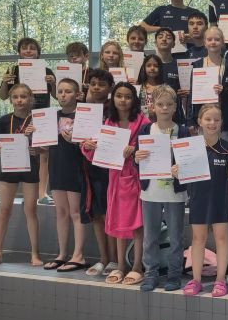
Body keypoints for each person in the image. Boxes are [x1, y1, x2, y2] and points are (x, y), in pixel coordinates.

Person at [82, 82, 149, 285]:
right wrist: (88, 146)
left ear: (134, 100)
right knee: (118, 221)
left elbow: (151, 148)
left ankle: (137, 266)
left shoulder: (144, 122)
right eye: (119, 96)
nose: (123, 100)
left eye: (128, 96)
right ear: (113, 98)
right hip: (115, 180)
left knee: (137, 224)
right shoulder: (108, 124)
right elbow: (95, 151)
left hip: (136, 179)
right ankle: (120, 265)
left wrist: (135, 149)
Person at [180, 104, 228, 297]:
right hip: (198, 198)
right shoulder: (191, 146)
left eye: (216, 119)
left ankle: (220, 280)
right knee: (198, 239)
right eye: (208, 119)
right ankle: (196, 280)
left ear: (222, 122)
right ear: (200, 121)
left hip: (220, 199)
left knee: (221, 238)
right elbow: (182, 172)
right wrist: (176, 170)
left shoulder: (227, 147)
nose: (212, 123)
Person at [134, 85, 188, 292]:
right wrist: (136, 158)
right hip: (150, 192)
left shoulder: (182, 131)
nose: (164, 108)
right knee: (150, 238)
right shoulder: (146, 130)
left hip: (175, 193)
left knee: (175, 238)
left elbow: (189, 162)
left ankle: (174, 275)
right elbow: (137, 161)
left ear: (175, 107)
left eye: (169, 104)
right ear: (153, 107)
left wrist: (181, 168)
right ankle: (151, 273)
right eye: (160, 104)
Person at [0, 83, 42, 268]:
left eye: (23, 96)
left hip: (30, 168)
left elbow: (45, 148)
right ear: (10, 100)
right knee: (4, 210)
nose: (19, 100)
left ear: (31, 99)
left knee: (30, 210)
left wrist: (37, 150)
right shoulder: (4, 120)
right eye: (15, 97)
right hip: (9, 168)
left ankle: (35, 254)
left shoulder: (37, 120)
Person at [0, 37, 56, 204]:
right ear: (19, 52)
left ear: (38, 52)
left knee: (43, 154)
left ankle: (42, 193)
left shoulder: (47, 70)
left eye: (32, 48)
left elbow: (56, 96)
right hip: (21, 117)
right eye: (25, 48)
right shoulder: (13, 70)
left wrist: (53, 83)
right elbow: (3, 96)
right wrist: (4, 81)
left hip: (42, 117)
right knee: (25, 153)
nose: (29, 51)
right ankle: (29, 194)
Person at [44, 78, 87, 273]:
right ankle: (62, 254)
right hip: (56, 166)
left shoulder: (84, 116)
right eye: (60, 91)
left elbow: (90, 144)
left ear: (77, 94)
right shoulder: (51, 116)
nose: (63, 95)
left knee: (75, 212)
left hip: (75, 167)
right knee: (61, 212)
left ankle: (78, 255)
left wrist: (75, 141)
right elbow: (43, 146)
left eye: (68, 91)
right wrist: (34, 136)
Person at [80, 69, 116, 278]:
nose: (96, 88)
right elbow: (80, 138)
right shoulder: (85, 110)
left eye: (101, 84)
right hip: (90, 167)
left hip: (111, 167)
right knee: (96, 214)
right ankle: (103, 258)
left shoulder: (115, 109)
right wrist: (81, 142)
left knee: (110, 213)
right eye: (93, 84)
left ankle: (114, 259)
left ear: (110, 88)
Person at [188, 26, 228, 138]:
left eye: (217, 39)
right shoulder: (197, 65)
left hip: (223, 119)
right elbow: (192, 95)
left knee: (223, 147)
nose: (213, 42)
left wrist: (224, 91)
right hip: (203, 120)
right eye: (209, 39)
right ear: (204, 42)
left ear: (223, 42)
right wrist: (191, 121)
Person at [136, 54, 165, 120]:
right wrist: (147, 112)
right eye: (149, 65)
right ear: (144, 68)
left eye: (156, 66)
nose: (152, 68)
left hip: (160, 123)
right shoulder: (138, 88)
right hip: (142, 123)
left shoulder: (165, 89)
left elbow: (169, 109)